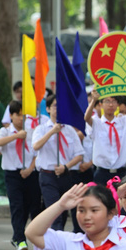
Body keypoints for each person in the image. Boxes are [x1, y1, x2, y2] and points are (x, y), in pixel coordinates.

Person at [0, 100, 41, 250]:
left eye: (23, 115)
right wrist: (15, 137)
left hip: (30, 173)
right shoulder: (5, 131)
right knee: (17, 206)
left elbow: (36, 153)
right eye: (18, 115)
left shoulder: (32, 131)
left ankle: (19, 236)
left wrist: (29, 169)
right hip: (12, 174)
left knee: (32, 205)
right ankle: (21, 239)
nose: (21, 118)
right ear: (11, 116)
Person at [32, 94, 84, 231]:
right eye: (55, 106)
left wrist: (66, 166)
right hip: (48, 176)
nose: (58, 109)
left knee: (67, 211)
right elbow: (36, 146)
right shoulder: (41, 129)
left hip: (65, 175)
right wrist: (52, 132)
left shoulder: (70, 130)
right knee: (55, 212)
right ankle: (56, 246)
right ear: (48, 109)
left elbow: (79, 155)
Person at [84, 87, 126, 185]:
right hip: (102, 172)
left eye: (114, 101)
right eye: (107, 101)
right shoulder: (97, 123)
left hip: (121, 172)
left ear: (117, 104)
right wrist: (94, 100)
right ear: (101, 104)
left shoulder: (124, 121)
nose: (111, 104)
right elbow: (87, 118)